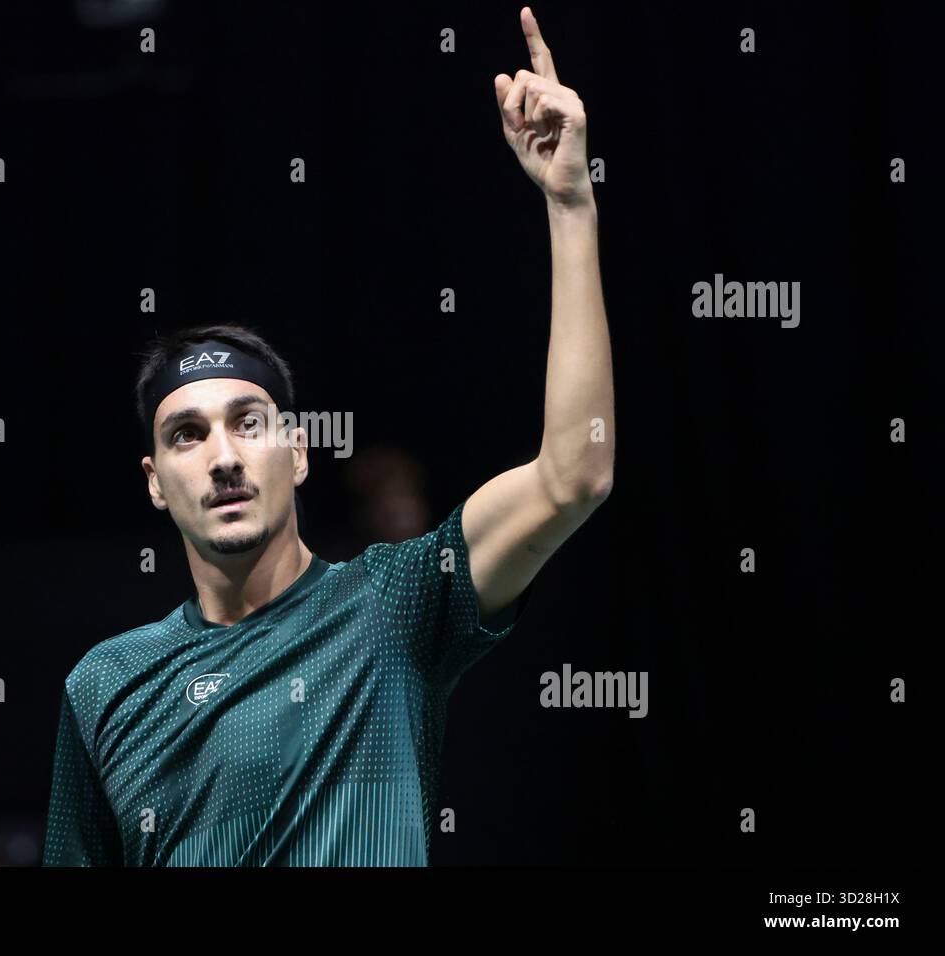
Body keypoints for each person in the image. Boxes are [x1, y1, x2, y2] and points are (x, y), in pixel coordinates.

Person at [43, 5, 612, 866]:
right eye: (187, 435)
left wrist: (570, 203)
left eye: (249, 423)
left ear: (299, 451)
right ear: (155, 479)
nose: (225, 456)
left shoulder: (396, 605)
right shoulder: (105, 687)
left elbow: (574, 475)